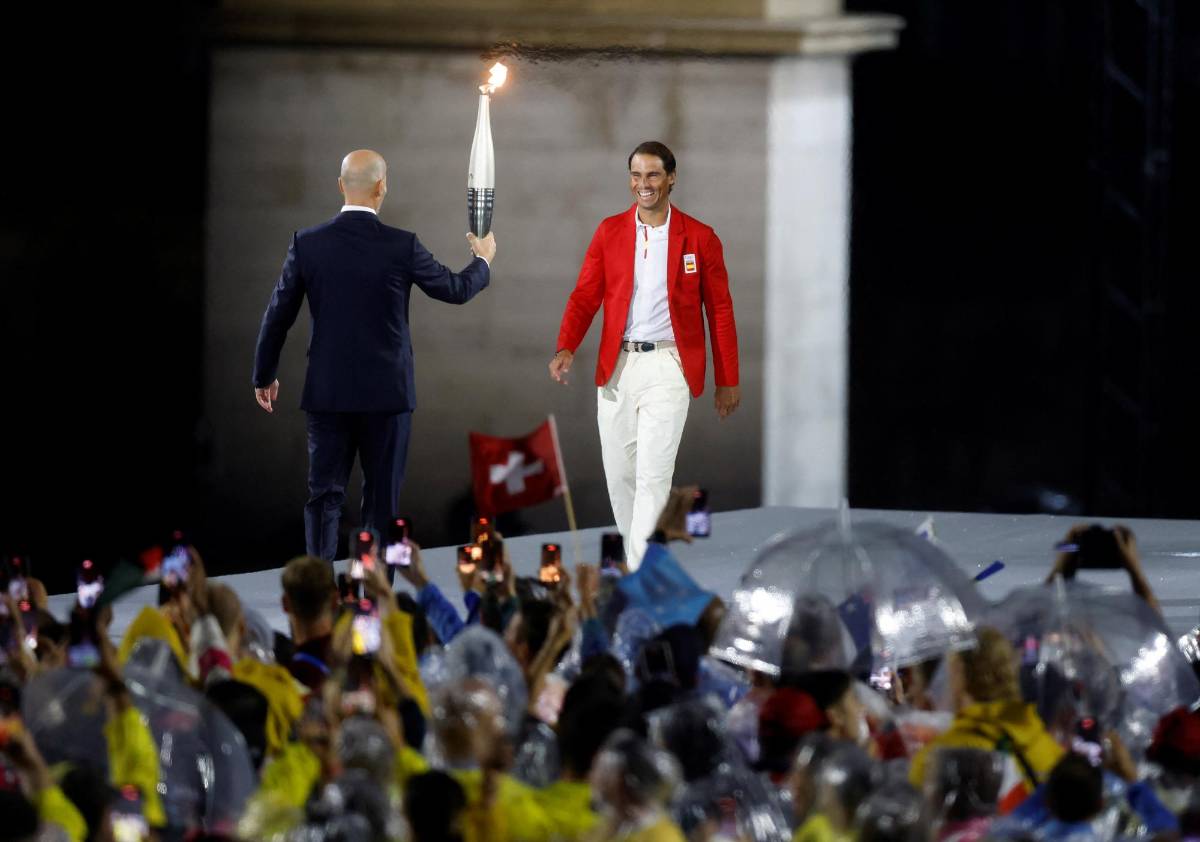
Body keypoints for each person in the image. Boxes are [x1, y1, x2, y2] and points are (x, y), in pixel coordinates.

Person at [252, 149, 497, 561]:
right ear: (382, 187)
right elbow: (455, 290)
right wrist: (483, 261)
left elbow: (277, 315)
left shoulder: (307, 243)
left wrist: (264, 374)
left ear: (340, 186)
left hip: (327, 395)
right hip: (388, 397)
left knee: (323, 498)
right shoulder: (402, 245)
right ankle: (379, 591)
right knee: (383, 505)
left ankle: (319, 587)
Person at [550, 141, 741, 569]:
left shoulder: (701, 238)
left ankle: (638, 577)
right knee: (620, 477)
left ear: (671, 178)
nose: (644, 184)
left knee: (654, 477)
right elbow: (585, 295)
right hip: (618, 366)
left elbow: (720, 311)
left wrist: (728, 379)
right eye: (636, 175)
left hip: (669, 366)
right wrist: (566, 346)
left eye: (653, 174)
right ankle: (644, 564)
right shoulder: (609, 231)